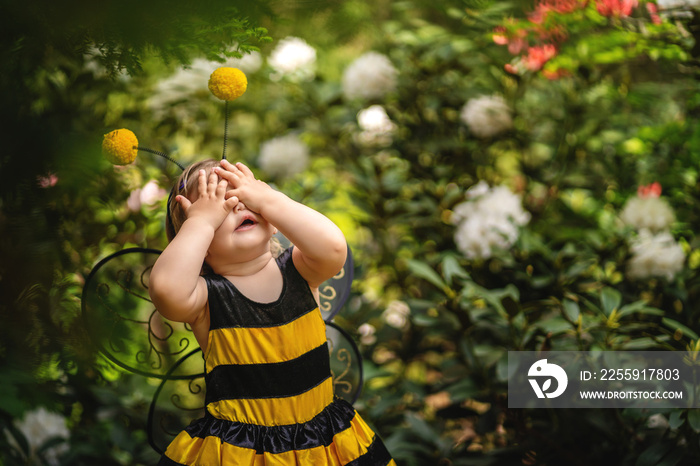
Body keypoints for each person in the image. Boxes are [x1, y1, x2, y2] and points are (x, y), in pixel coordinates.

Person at [149, 158, 395, 465]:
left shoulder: (300, 271)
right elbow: (166, 290)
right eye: (220, 205)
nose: (238, 205)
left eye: (243, 195)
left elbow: (333, 249)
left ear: (272, 217)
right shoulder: (205, 299)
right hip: (241, 452)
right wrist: (200, 223)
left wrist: (267, 198)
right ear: (198, 244)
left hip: (324, 442)